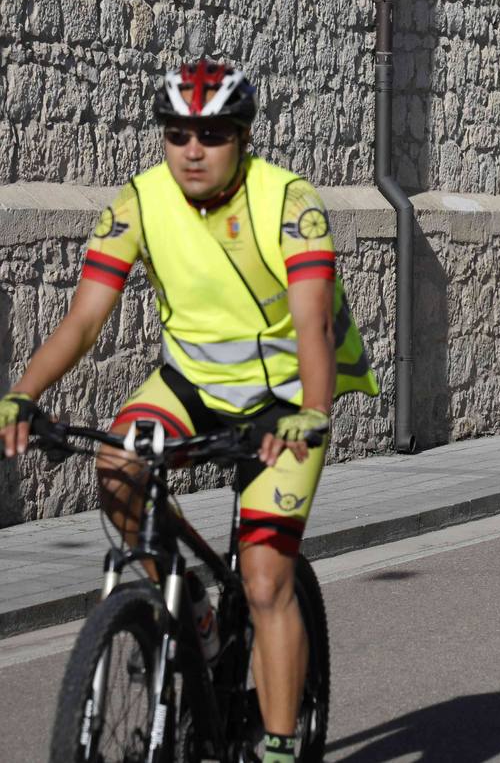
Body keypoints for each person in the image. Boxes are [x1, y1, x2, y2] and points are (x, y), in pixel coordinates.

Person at [0, 60, 378, 763]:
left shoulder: (287, 201)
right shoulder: (139, 201)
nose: (193, 150)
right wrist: (25, 394)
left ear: (242, 138)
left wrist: (314, 411)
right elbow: (83, 320)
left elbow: (313, 323)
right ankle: (193, 613)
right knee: (116, 468)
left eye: (211, 134)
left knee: (266, 577)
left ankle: (276, 742)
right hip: (192, 382)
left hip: (286, 394)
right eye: (178, 135)